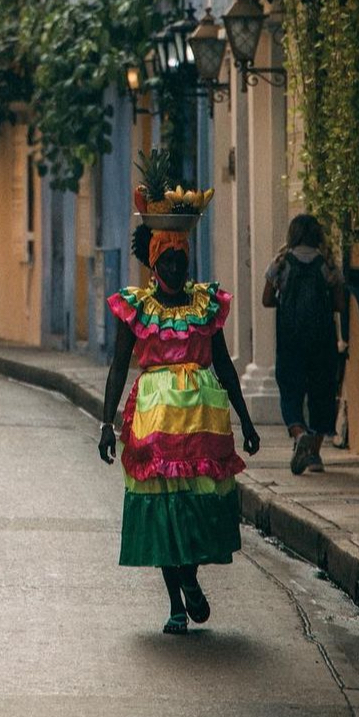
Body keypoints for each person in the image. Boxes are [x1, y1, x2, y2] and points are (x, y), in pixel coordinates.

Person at [99, 193, 260, 636]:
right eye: (166, 261)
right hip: (152, 420)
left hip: (203, 422)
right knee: (163, 508)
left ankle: (190, 577)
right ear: (154, 264)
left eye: (180, 261)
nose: (174, 269)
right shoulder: (136, 308)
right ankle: (175, 601)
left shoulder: (205, 304)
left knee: (194, 505)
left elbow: (224, 364)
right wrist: (106, 424)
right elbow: (117, 368)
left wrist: (245, 419)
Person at [262, 213, 346, 476]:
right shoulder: (328, 264)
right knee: (322, 391)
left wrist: (285, 302)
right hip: (322, 339)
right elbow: (340, 305)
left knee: (290, 388)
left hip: (290, 339)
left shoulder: (281, 263)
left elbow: (266, 299)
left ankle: (299, 435)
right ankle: (316, 455)